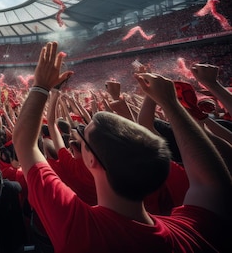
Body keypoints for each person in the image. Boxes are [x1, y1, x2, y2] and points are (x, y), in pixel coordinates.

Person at [12, 41, 232, 252]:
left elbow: (23, 142)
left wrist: (41, 85)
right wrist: (171, 104)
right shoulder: (190, 232)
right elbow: (211, 181)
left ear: (92, 160)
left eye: (84, 136)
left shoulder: (83, 230)